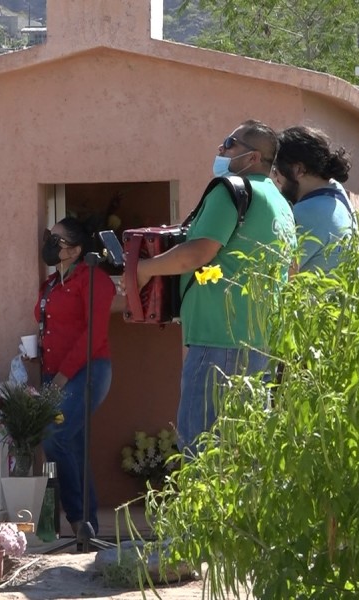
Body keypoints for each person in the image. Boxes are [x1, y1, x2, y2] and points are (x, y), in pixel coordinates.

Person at [136, 120, 296, 456]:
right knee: (243, 452)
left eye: (229, 143)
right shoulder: (280, 203)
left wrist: (143, 270)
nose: (221, 150)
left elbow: (195, 254)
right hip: (261, 342)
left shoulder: (231, 189)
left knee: (200, 448)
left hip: (218, 341)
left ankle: (205, 513)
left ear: (252, 157)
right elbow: (290, 271)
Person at [35, 217, 115, 536]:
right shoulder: (52, 284)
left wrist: (61, 378)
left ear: (76, 250)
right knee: (72, 443)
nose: (49, 245)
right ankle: (87, 526)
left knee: (56, 436)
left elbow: (92, 335)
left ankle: (78, 517)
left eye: (57, 241)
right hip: (55, 374)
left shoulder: (92, 279)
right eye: (48, 237)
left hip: (87, 370)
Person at [273, 126, 356, 273]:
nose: (276, 178)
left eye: (276, 170)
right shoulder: (335, 191)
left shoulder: (307, 213)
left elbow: (275, 278)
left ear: (298, 169)